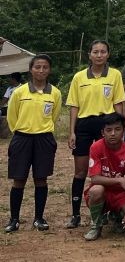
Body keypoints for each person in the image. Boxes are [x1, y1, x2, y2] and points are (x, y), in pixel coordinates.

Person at [66, 39, 125, 229]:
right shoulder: (79, 77)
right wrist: (72, 132)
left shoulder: (115, 75)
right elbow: (74, 106)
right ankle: (75, 214)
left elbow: (118, 103)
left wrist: (121, 129)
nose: (99, 55)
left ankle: (109, 211)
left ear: (108, 54)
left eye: (103, 52)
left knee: (107, 170)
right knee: (81, 171)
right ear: (89, 55)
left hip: (107, 124)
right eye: (95, 52)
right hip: (84, 125)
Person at [4, 54, 61, 233]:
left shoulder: (55, 93)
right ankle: (14, 219)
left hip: (44, 138)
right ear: (30, 69)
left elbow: (54, 115)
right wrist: (21, 132)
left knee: (41, 179)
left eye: (45, 67)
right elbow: (11, 116)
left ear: (49, 70)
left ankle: (39, 218)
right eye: (37, 67)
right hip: (22, 138)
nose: (41, 70)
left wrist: (41, 130)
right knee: (18, 179)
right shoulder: (19, 92)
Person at [83, 113, 125, 240]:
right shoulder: (96, 147)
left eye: (117, 129)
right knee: (96, 190)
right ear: (103, 132)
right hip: (103, 190)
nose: (113, 133)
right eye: (109, 130)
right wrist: (119, 180)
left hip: (120, 194)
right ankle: (96, 226)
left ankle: (116, 216)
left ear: (124, 131)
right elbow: (95, 178)